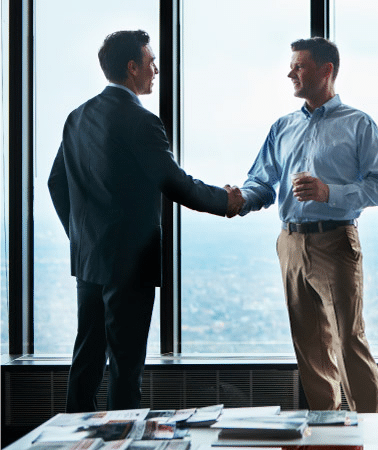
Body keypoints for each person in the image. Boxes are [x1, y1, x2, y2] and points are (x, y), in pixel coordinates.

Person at [48, 30, 245, 412]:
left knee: (86, 359)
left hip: (89, 261)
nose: (156, 68)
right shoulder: (140, 120)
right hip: (130, 264)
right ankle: (122, 440)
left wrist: (81, 234)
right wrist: (225, 201)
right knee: (125, 366)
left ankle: (74, 440)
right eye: (151, 61)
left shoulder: (77, 117)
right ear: (132, 67)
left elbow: (57, 181)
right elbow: (175, 183)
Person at [236, 37, 378, 413]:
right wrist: (237, 200)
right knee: (309, 348)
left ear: (326, 71)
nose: (291, 72)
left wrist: (329, 193)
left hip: (335, 242)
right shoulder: (282, 126)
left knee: (348, 343)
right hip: (290, 243)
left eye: (299, 66)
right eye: (292, 66)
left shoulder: (358, 124)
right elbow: (261, 181)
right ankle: (329, 435)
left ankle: (374, 434)